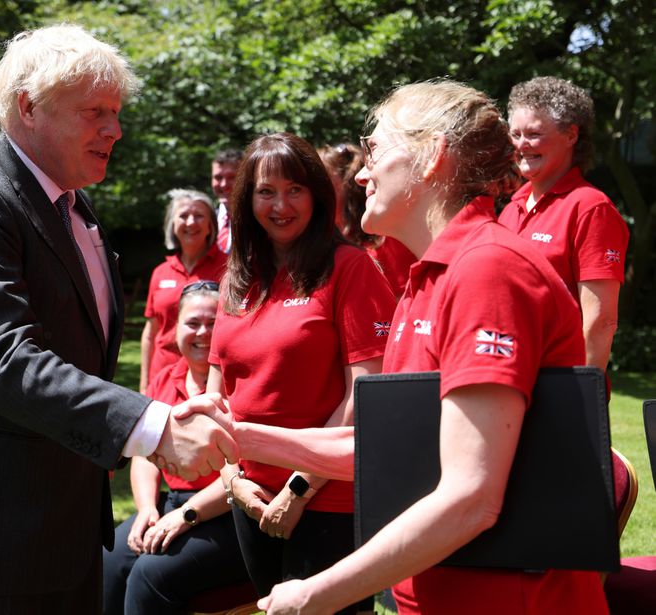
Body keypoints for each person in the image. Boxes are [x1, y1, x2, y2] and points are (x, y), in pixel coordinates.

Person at [0, 23, 236, 614]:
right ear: (28, 107)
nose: (115, 129)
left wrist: (155, 416)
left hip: (60, 529)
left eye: (116, 112)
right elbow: (0, 356)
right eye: (95, 111)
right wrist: (153, 427)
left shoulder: (70, 200)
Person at [234, 80, 608, 614]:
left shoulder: (487, 269)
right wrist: (239, 436)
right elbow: (389, 451)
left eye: (377, 150)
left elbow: (470, 497)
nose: (361, 174)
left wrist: (317, 594)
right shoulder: (426, 277)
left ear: (432, 156)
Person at [208, 132, 396, 614]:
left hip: (327, 500)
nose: (280, 204)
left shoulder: (350, 268)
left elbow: (365, 394)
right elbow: (218, 396)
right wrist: (235, 483)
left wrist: (298, 489)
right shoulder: (239, 274)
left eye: (295, 189)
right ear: (246, 201)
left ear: (317, 194)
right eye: (265, 191)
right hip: (250, 498)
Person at [105, 281, 249, 614]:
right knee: (110, 559)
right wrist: (146, 510)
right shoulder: (164, 379)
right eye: (193, 323)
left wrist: (184, 518)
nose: (203, 332)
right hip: (171, 503)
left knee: (150, 573)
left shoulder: (241, 381)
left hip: (227, 511)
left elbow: (243, 470)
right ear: (175, 330)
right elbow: (144, 453)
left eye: (213, 323)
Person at [498, 76, 629, 371]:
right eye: (515, 134)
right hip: (508, 383)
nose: (521, 144)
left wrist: (577, 393)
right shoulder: (510, 209)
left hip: (559, 391)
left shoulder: (590, 208)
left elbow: (601, 320)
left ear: (571, 135)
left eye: (533, 133)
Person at [139, 189, 226, 393]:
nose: (190, 222)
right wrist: (144, 385)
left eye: (199, 216)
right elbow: (150, 333)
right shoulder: (160, 272)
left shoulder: (230, 269)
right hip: (162, 381)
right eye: (183, 216)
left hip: (212, 380)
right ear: (172, 224)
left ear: (210, 225)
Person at [319, 143, 416, 298]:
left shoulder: (386, 237)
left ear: (348, 187)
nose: (314, 192)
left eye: (323, 183)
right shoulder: (325, 240)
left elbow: (404, 299)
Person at [212, 149, 243, 253]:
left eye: (232, 177)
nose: (223, 184)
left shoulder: (261, 220)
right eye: (218, 177)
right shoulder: (206, 221)